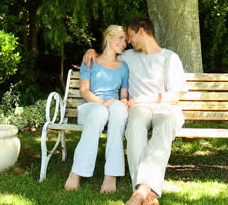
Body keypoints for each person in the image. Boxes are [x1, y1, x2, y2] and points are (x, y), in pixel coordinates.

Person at [83, 17, 187, 205]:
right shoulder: (129, 56)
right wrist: (91, 50)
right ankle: (144, 192)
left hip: (165, 108)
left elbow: (175, 96)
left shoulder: (170, 58)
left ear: (141, 31)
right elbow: (107, 56)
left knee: (164, 126)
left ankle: (141, 191)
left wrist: (146, 99)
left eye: (130, 36)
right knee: (134, 126)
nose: (128, 42)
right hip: (138, 109)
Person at [64, 25, 130, 194]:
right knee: (100, 111)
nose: (124, 43)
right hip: (91, 108)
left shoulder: (123, 67)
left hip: (113, 108)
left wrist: (120, 103)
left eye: (126, 40)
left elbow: (123, 95)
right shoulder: (90, 61)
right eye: (120, 38)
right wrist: (103, 102)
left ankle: (111, 175)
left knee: (119, 108)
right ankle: (77, 171)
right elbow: (85, 91)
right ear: (108, 37)